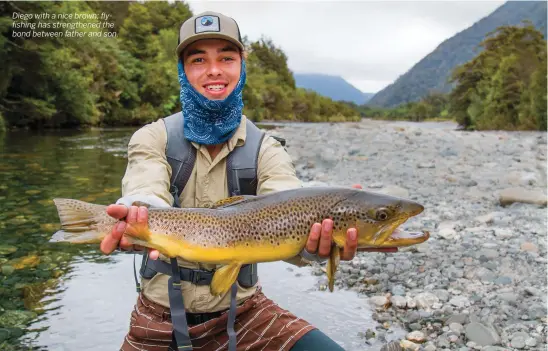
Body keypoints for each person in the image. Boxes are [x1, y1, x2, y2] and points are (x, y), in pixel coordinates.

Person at [99, 11, 397, 351]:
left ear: (242, 66)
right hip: (159, 318)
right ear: (183, 71)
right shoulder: (153, 137)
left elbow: (290, 202)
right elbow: (144, 187)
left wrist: (320, 240)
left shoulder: (266, 148)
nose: (214, 70)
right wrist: (136, 214)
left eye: (226, 58)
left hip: (245, 314)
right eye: (199, 60)